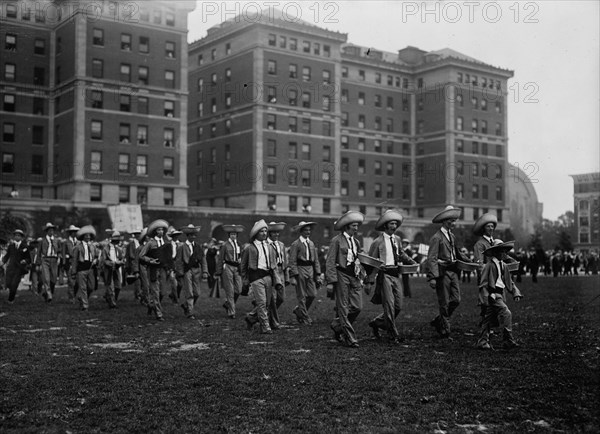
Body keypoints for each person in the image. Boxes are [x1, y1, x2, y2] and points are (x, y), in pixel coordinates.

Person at [366, 210, 417, 344]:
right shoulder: (377, 242)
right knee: (389, 305)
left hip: (395, 274)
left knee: (398, 305)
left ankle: (377, 322)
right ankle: (393, 333)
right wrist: (369, 280)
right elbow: (370, 262)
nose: (394, 226)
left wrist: (411, 262)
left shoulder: (397, 239)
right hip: (384, 275)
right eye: (391, 223)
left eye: (395, 223)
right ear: (385, 225)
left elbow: (401, 254)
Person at [426, 206, 471, 338]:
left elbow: (458, 253)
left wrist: (471, 261)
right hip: (442, 272)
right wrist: (432, 277)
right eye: (452, 220)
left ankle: (439, 320)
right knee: (444, 301)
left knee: (456, 300)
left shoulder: (452, 236)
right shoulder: (436, 238)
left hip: (453, 271)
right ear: (445, 221)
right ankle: (445, 327)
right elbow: (432, 258)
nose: (454, 223)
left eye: (455, 220)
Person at [326, 211, 365, 348]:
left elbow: (359, 259)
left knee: (357, 307)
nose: (356, 228)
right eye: (354, 225)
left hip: (354, 276)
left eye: (357, 226)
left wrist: (362, 275)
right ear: (347, 226)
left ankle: (337, 325)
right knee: (343, 307)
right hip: (341, 275)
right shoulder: (336, 240)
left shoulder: (356, 242)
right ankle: (350, 338)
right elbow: (330, 261)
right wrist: (331, 282)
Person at [476, 240, 523, 350]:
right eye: (502, 251)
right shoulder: (489, 265)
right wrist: (488, 295)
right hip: (493, 295)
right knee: (507, 313)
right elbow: (483, 283)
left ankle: (482, 342)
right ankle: (508, 340)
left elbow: (509, 281)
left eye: (506, 251)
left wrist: (515, 292)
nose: (505, 253)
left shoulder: (504, 266)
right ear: (496, 252)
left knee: (488, 318)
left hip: (500, 294)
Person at [241, 220, 283, 334]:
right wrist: (245, 280)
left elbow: (274, 266)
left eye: (265, 231)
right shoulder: (249, 248)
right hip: (256, 277)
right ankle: (265, 326)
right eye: (261, 231)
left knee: (268, 303)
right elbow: (243, 266)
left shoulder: (270, 247)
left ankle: (250, 318)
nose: (264, 233)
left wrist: (277, 281)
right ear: (256, 233)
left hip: (268, 277)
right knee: (262, 302)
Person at [289, 221, 321, 325]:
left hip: (310, 269)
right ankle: (305, 317)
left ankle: (299, 310)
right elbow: (292, 260)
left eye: (309, 230)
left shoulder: (311, 243)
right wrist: (294, 275)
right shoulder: (296, 244)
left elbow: (316, 260)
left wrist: (318, 274)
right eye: (306, 230)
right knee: (301, 295)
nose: (308, 232)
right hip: (300, 269)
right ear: (301, 231)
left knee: (312, 294)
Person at [139, 219, 170, 321]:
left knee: (163, 292)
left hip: (163, 270)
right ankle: (158, 313)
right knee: (155, 292)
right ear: (155, 232)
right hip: (153, 270)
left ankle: (152, 305)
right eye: (158, 230)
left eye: (162, 230)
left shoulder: (165, 243)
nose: (161, 232)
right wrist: (150, 260)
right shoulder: (150, 243)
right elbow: (141, 255)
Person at [175, 224, 208, 319]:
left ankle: (186, 305)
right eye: (191, 235)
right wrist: (180, 272)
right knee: (189, 292)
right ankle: (190, 312)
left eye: (194, 235)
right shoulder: (182, 247)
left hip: (196, 270)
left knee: (197, 293)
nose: (193, 237)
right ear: (187, 236)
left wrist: (205, 271)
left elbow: (203, 259)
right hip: (187, 270)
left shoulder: (198, 246)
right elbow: (178, 261)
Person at [216, 225, 245, 318]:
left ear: (237, 235)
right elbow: (220, 259)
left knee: (239, 289)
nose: (233, 236)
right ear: (229, 235)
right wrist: (218, 271)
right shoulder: (224, 245)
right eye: (232, 234)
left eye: (235, 234)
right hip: (228, 267)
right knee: (230, 290)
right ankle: (231, 312)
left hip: (237, 268)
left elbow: (242, 256)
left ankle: (228, 303)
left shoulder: (239, 244)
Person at [266, 222, 290, 329]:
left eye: (278, 232)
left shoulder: (281, 245)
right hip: (271, 272)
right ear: (269, 233)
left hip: (281, 272)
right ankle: (274, 322)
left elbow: (285, 261)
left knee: (281, 298)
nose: (276, 234)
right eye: (274, 232)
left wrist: (287, 275)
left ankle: (253, 316)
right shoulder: (266, 245)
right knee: (273, 299)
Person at [70, 225, 99, 311]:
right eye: (86, 236)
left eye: (89, 235)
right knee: (82, 287)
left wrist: (96, 260)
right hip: (81, 269)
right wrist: (74, 272)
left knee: (91, 287)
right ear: (83, 237)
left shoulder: (93, 247)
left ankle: (81, 298)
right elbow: (74, 260)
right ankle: (85, 305)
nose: (88, 237)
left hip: (90, 269)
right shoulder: (78, 247)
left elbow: (96, 256)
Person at [1, 229, 30, 304]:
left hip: (19, 268)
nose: (17, 237)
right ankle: (12, 293)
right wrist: (2, 262)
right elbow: (7, 256)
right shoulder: (11, 246)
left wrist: (25, 261)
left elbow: (29, 258)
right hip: (10, 268)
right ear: (14, 237)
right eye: (16, 235)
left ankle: (11, 299)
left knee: (14, 284)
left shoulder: (25, 247)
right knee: (9, 283)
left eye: (19, 235)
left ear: (22, 237)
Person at [100, 231, 125, 309]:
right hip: (108, 269)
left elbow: (121, 258)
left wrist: (120, 262)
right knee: (110, 285)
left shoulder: (118, 249)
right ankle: (112, 303)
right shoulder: (106, 249)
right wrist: (113, 263)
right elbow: (104, 260)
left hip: (116, 268)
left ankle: (111, 298)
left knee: (118, 286)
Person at [37, 222, 60, 303]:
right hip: (45, 260)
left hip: (54, 260)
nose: (51, 232)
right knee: (46, 278)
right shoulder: (42, 241)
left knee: (53, 279)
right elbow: (38, 252)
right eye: (50, 230)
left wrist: (59, 257)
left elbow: (59, 250)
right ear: (46, 231)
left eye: (52, 230)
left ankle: (47, 293)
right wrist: (38, 263)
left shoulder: (56, 240)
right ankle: (49, 295)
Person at [62, 225, 80, 303]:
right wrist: (64, 263)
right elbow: (63, 254)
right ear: (70, 233)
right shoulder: (66, 242)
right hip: (69, 263)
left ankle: (73, 294)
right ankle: (71, 297)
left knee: (78, 281)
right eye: (72, 232)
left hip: (78, 263)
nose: (74, 233)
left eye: (75, 232)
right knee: (71, 281)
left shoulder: (78, 242)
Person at [125, 229, 142, 300]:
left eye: (139, 233)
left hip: (141, 262)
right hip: (134, 263)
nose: (138, 235)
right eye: (136, 234)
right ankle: (138, 294)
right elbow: (131, 255)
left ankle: (141, 293)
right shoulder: (131, 244)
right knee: (137, 279)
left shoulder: (141, 243)